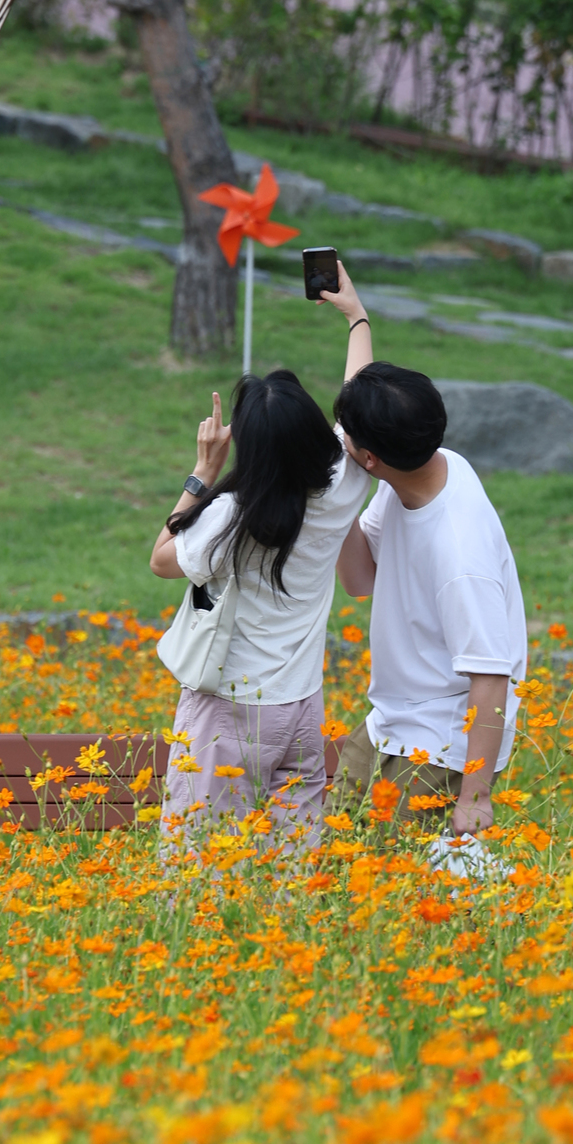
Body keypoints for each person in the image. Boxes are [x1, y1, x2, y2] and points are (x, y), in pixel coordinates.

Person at [149, 263, 375, 853]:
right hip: (301, 709)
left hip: (227, 711)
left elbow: (162, 558)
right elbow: (358, 394)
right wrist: (356, 316)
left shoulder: (229, 518)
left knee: (200, 869)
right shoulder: (345, 482)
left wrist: (203, 472)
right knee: (289, 874)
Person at [331, 363, 527, 835]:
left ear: (371, 458)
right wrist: (332, 502)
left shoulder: (461, 555)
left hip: (443, 742)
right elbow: (360, 579)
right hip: (392, 718)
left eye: (345, 438)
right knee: (330, 843)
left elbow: (491, 676)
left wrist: (475, 797)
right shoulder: (427, 466)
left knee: (387, 886)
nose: (337, 440)